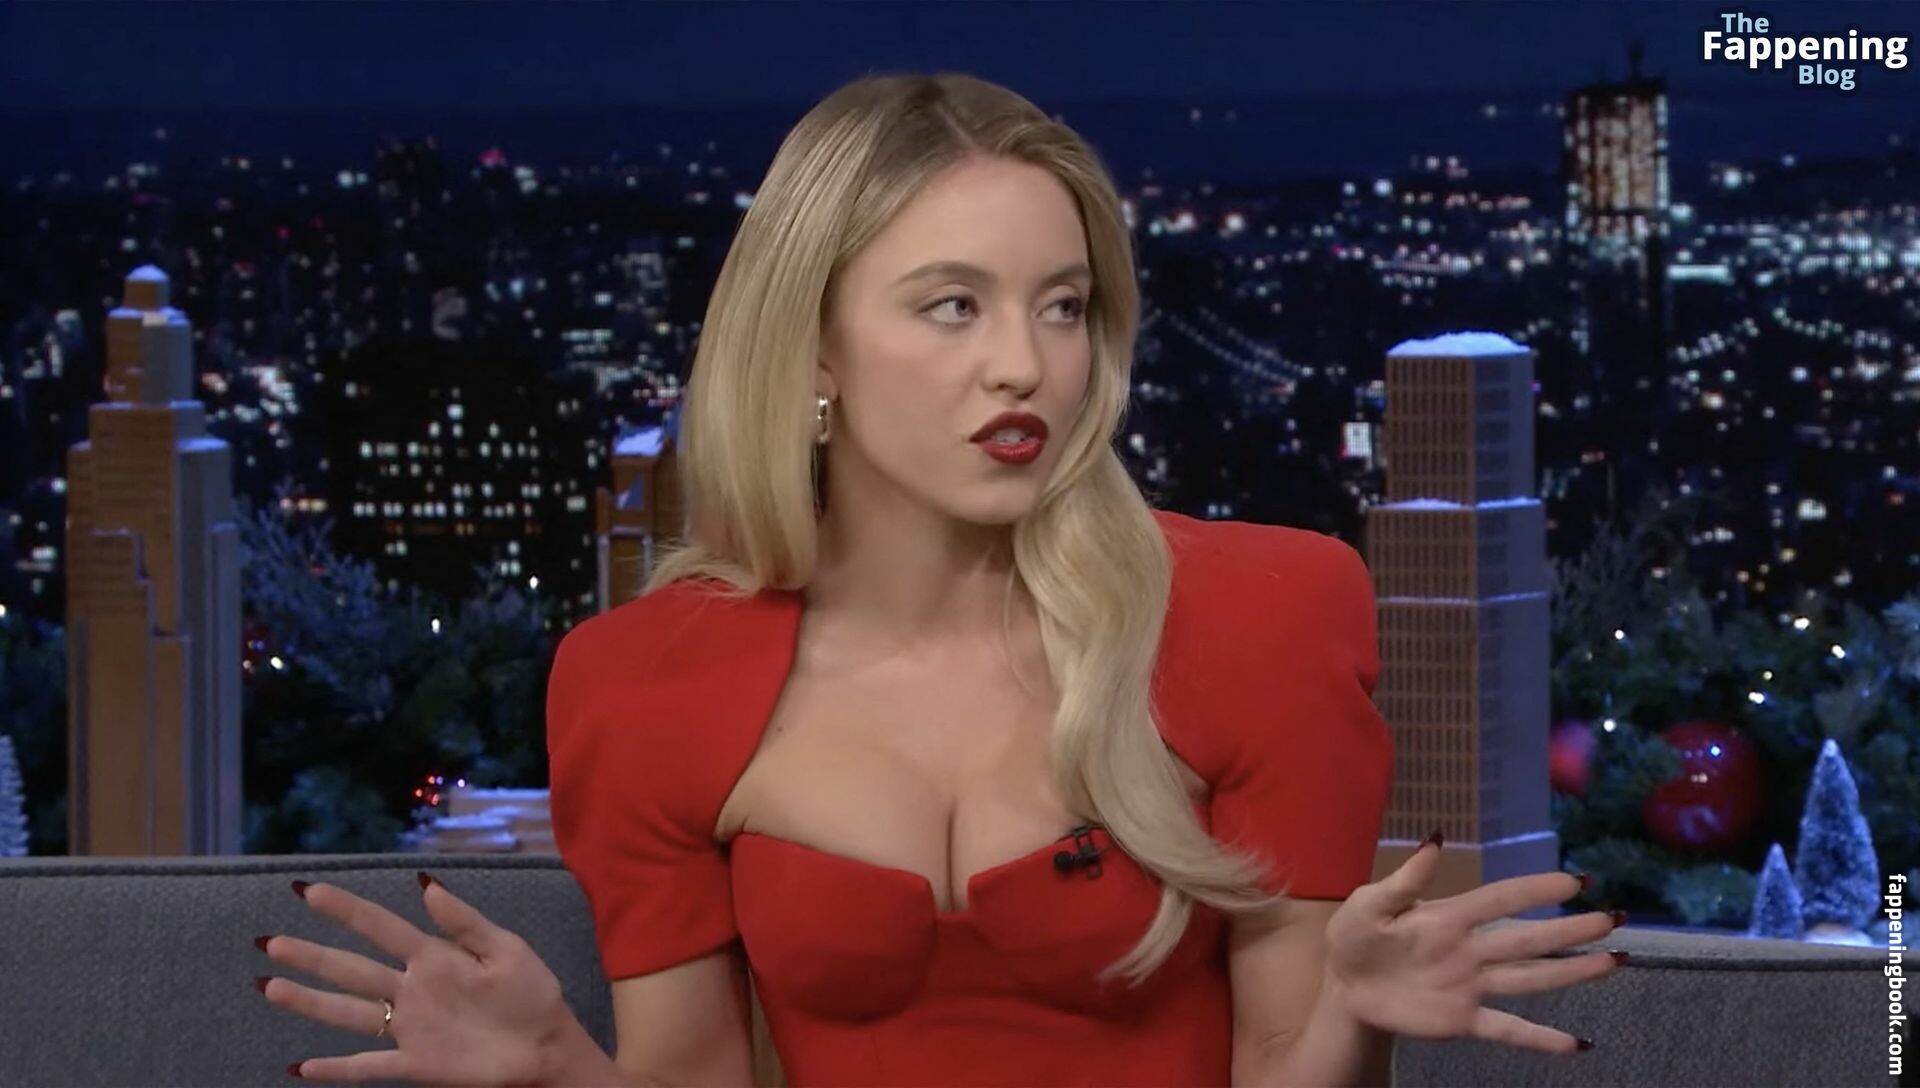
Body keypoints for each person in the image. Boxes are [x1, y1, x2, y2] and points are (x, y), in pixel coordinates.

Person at [253, 71, 1623, 1087]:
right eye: (953, 305)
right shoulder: (644, 683)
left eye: (1064, 306)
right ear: (814, 352)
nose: (1024, 364)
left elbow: (1281, 1067)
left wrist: (1349, 1020)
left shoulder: (1260, 616)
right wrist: (558, 1069)